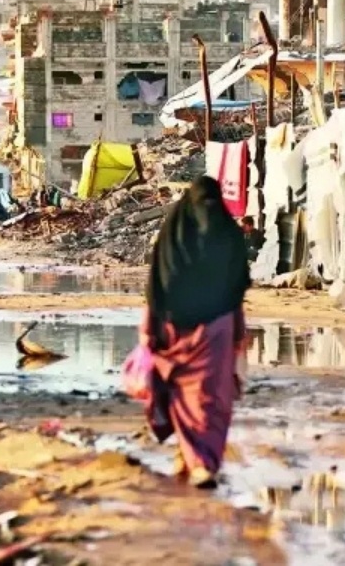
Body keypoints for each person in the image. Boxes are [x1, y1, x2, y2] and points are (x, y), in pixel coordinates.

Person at [140, 176, 251, 489]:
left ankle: (198, 462)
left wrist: (150, 331)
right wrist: (238, 336)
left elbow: (157, 285)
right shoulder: (226, 232)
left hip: (177, 328)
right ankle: (200, 461)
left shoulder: (173, 236)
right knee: (211, 401)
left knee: (188, 401)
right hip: (215, 329)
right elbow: (237, 286)